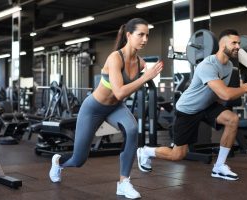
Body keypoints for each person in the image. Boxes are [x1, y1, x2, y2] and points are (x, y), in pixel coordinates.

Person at [49, 18, 163, 199]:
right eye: (140, 34)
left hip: (115, 108)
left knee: (132, 129)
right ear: (128, 35)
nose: (145, 39)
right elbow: (119, 92)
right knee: (79, 160)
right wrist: (145, 77)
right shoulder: (115, 58)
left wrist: (147, 76)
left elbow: (122, 96)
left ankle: (123, 182)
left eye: (147, 35)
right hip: (93, 108)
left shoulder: (141, 63)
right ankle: (58, 161)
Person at [137, 29, 247, 181]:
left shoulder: (229, 66)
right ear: (222, 44)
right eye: (234, 43)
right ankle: (145, 152)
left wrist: (220, 109)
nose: (238, 46)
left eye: (239, 43)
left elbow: (220, 95)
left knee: (232, 119)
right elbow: (225, 94)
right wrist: (243, 89)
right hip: (188, 109)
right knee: (178, 155)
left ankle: (219, 167)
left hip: (207, 106)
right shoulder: (207, 65)